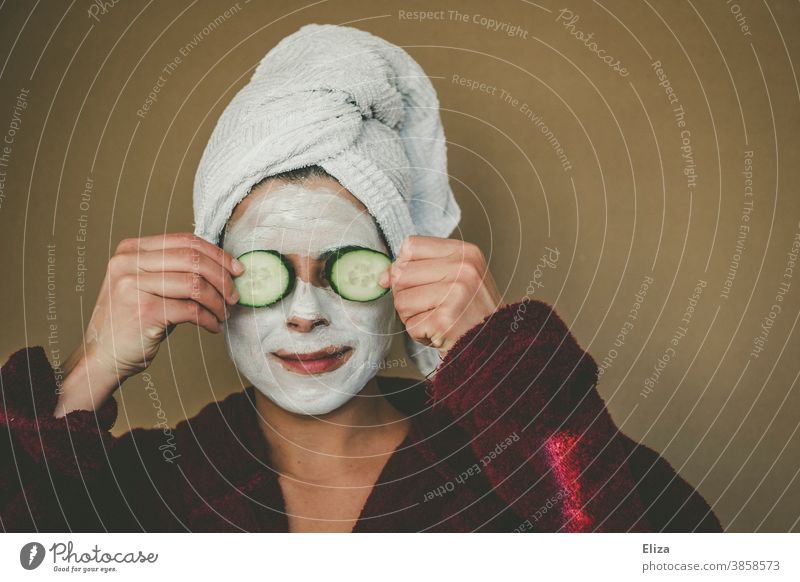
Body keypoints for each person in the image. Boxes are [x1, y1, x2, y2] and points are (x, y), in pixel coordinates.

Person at [0, 24, 722, 533]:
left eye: (344, 270)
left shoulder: (511, 472)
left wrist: (509, 370)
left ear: (401, 277)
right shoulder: (147, 485)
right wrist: (86, 376)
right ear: (211, 276)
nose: (306, 313)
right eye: (265, 272)